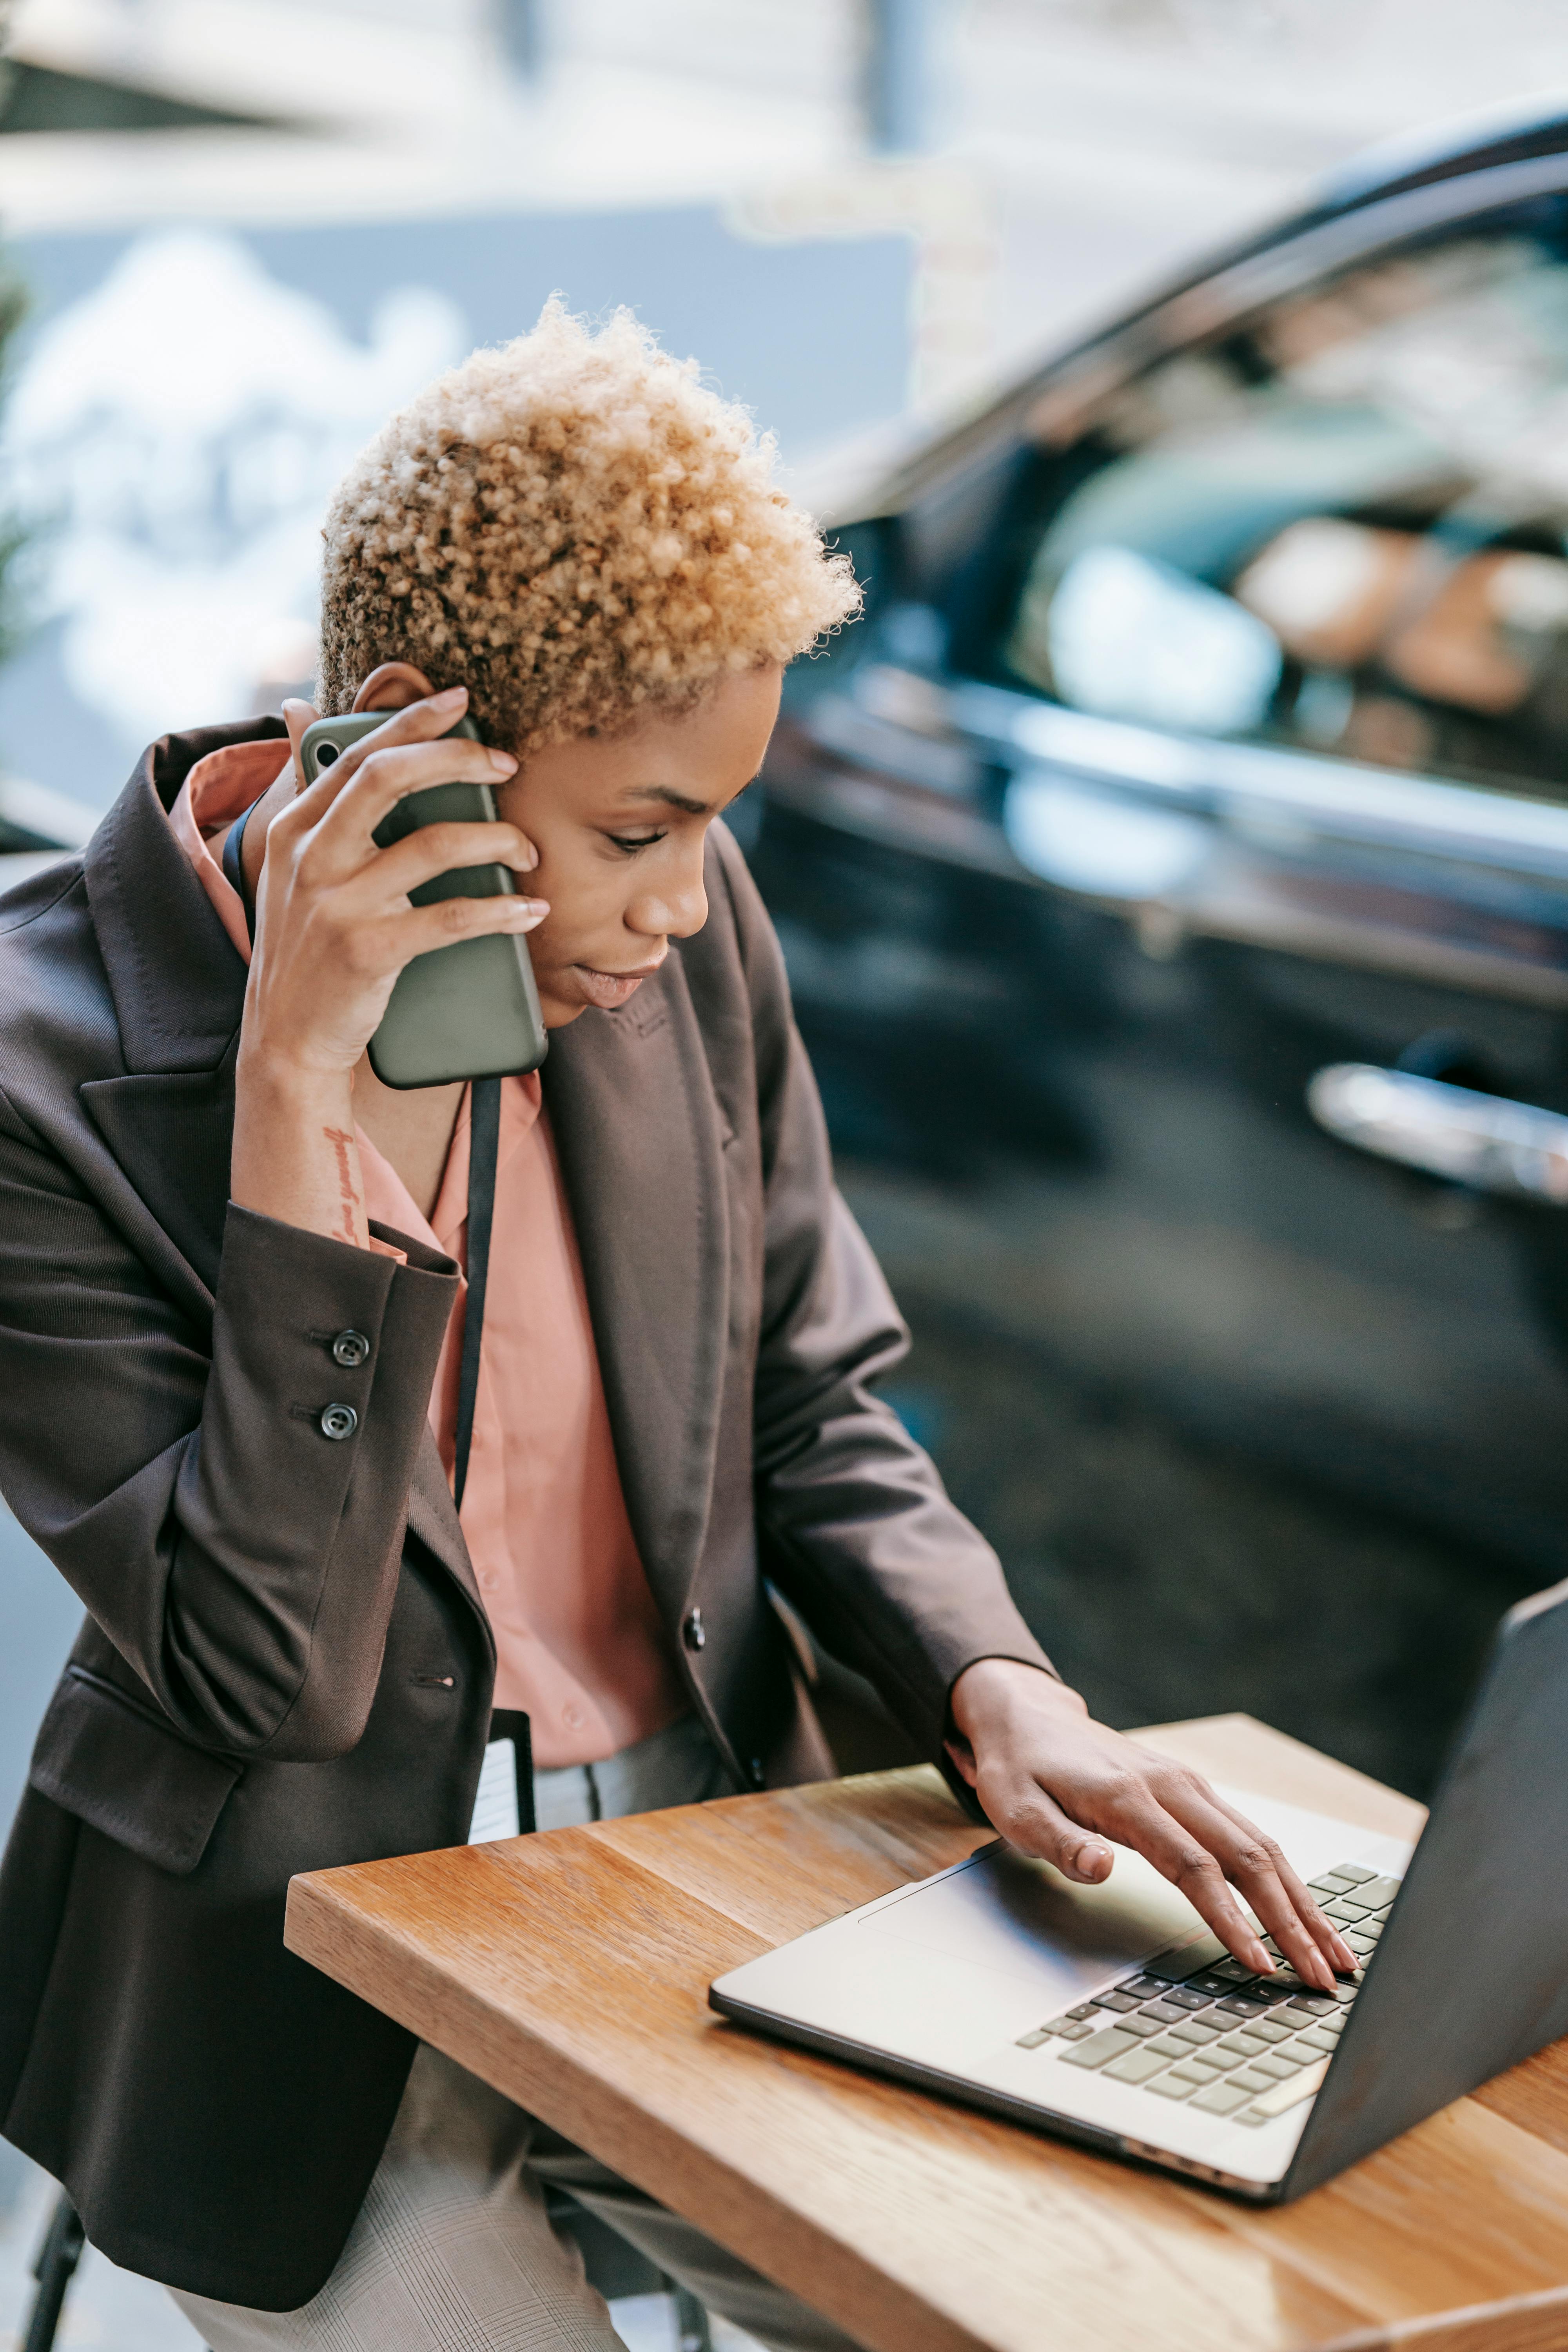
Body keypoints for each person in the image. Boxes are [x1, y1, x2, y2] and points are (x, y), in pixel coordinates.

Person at [0, 303, 1355, 2352]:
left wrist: (994, 1679)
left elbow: (811, 1397)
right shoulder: (37, 1068)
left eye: (717, 820)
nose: (686, 901)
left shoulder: (685, 934)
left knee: (1111, 2301)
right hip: (288, 1974)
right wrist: (295, 1105)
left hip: (703, 1873)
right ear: (411, 741)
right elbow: (260, 1675)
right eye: (638, 828)